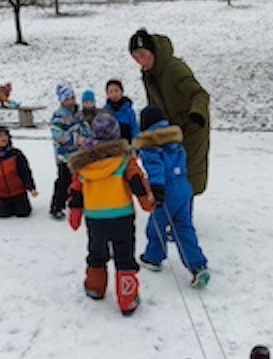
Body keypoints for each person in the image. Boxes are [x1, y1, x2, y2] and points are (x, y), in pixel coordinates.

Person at [67, 112, 154, 316]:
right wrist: (147, 203)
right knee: (124, 255)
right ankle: (128, 299)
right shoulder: (125, 160)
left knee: (97, 252)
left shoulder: (84, 164)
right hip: (122, 216)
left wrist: (75, 214)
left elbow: (76, 191)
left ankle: (95, 287)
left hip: (95, 218)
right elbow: (137, 183)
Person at [133, 105, 210, 288]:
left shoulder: (151, 146)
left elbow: (156, 168)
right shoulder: (176, 143)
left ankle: (153, 257)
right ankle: (198, 266)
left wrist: (157, 187)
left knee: (156, 226)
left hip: (167, 192)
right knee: (184, 228)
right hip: (184, 190)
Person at [129, 28, 210, 195]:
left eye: (143, 55)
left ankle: (185, 207)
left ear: (152, 51)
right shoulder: (148, 74)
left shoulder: (174, 68)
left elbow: (199, 94)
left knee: (188, 175)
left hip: (193, 125)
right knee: (170, 172)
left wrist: (197, 113)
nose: (140, 61)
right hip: (171, 128)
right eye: (136, 57)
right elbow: (153, 103)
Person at [49, 83, 90, 219]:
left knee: (80, 178)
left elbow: (85, 127)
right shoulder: (58, 116)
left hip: (79, 154)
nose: (70, 101)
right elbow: (57, 135)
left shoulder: (78, 114)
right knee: (64, 180)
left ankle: (79, 201)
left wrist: (86, 137)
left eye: (72, 98)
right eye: (67, 99)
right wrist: (74, 139)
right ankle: (57, 205)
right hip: (64, 156)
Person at [0, 126, 37, 218]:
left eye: (5, 135)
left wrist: (31, 187)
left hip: (18, 191)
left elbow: (25, 172)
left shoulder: (16, 154)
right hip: (1, 193)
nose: (4, 138)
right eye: (0, 136)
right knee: (3, 215)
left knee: (23, 213)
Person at [104, 78, 139, 143]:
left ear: (122, 92)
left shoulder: (129, 111)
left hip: (127, 144)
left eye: (116, 91)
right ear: (107, 94)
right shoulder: (105, 112)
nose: (114, 94)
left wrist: (135, 143)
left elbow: (134, 128)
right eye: (111, 92)